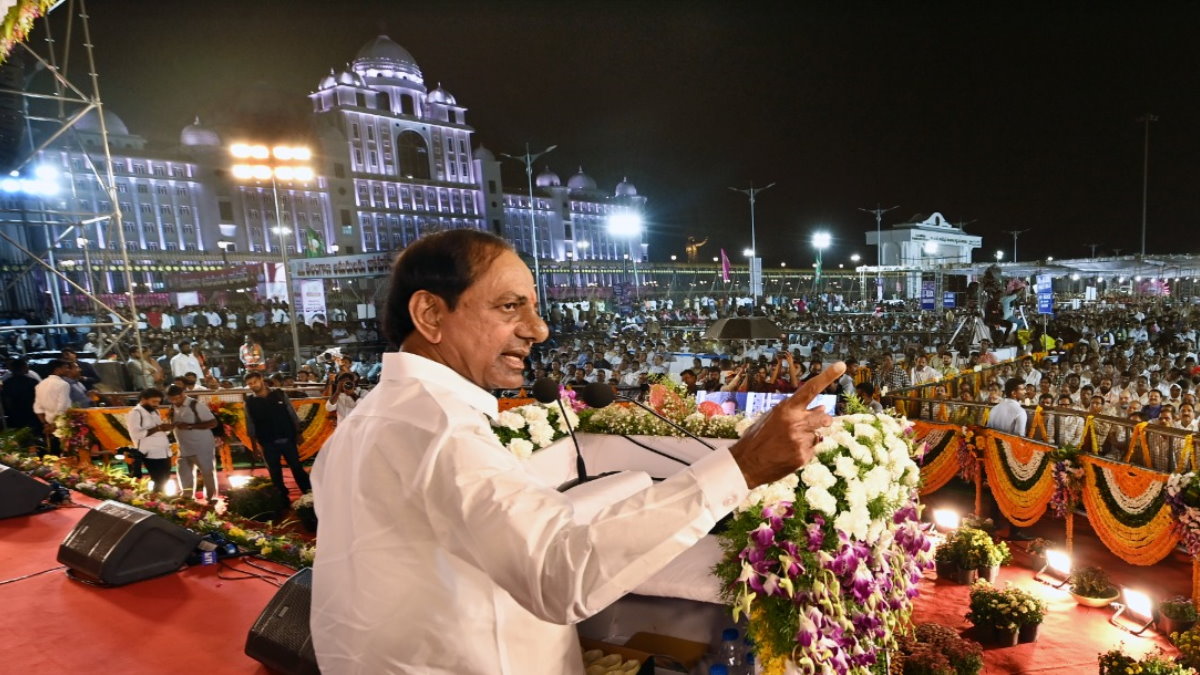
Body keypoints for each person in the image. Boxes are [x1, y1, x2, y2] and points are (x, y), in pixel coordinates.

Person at [309, 229, 845, 674]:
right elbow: (561, 571)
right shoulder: (440, 430)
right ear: (430, 313)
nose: (538, 329)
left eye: (534, 307)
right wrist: (741, 467)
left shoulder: (366, 423)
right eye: (509, 306)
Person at [243, 370, 310, 508]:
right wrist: (254, 447)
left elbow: (292, 414)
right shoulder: (249, 402)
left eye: (254, 382)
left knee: (296, 467)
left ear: (261, 379)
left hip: (287, 437)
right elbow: (250, 424)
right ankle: (282, 498)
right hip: (267, 441)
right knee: (275, 471)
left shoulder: (279, 394)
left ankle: (309, 492)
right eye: (249, 384)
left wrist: (298, 433)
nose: (253, 385)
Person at [167, 385, 219, 502]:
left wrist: (190, 426)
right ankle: (187, 497)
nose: (175, 401)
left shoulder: (196, 405)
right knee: (184, 472)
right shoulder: (172, 407)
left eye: (177, 398)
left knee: (207, 472)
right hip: (183, 446)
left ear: (183, 394)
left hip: (201, 445)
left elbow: (213, 423)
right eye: (172, 399)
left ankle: (210, 497)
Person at [125, 388, 174, 493]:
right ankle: (156, 500)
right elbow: (136, 434)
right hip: (150, 453)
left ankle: (160, 499)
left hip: (164, 452)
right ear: (143, 399)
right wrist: (158, 428)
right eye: (154, 401)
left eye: (158, 402)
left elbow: (158, 431)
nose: (157, 404)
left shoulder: (155, 411)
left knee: (165, 479)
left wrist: (166, 428)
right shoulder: (135, 413)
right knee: (159, 480)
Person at [32, 359, 73, 456]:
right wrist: (54, 425)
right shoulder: (63, 384)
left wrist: (46, 424)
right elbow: (61, 407)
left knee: (54, 452)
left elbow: (37, 408)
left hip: (49, 424)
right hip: (62, 424)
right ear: (57, 369)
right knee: (67, 452)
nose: (68, 370)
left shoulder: (40, 384)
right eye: (66, 368)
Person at [1, 358, 41, 442]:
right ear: (22, 368)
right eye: (26, 366)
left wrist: (11, 412)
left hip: (16, 416)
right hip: (32, 415)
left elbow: (7, 401)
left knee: (21, 439)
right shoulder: (32, 381)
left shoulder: (7, 383)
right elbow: (39, 399)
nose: (28, 368)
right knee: (35, 438)